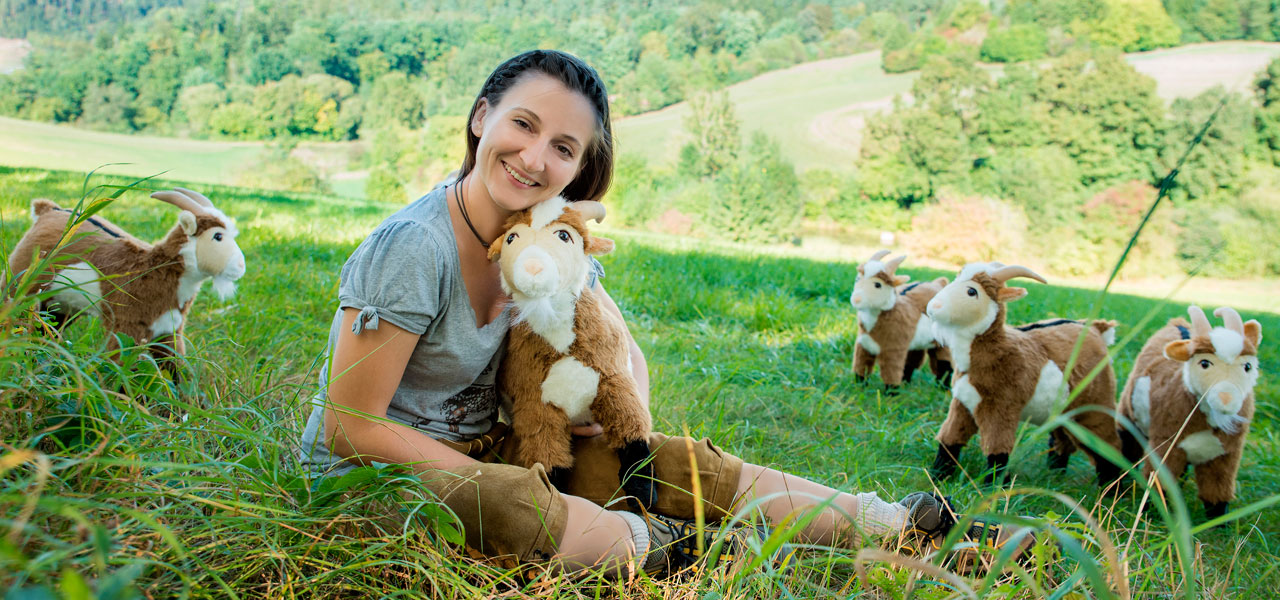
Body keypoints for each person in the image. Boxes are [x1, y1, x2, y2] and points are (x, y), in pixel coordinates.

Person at [298, 49, 1028, 576]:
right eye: (521, 124)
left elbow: (622, 349)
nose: (532, 157)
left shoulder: (549, 239)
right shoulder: (413, 248)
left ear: (578, 168)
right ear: (482, 117)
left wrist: (625, 434)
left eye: (562, 146)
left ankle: (907, 532)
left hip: (498, 450)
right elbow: (348, 424)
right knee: (528, 506)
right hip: (374, 480)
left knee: (673, 460)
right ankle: (671, 549)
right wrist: (495, 477)